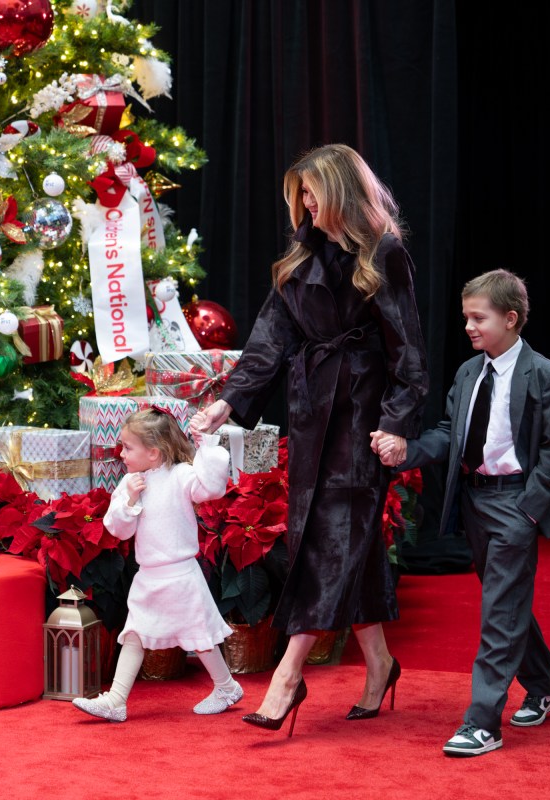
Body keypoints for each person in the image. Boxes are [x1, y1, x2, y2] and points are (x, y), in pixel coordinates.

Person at [190, 143, 428, 736]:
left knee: (330, 538)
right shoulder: (301, 255)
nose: (306, 202)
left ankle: (287, 675)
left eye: (315, 191)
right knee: (343, 539)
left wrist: (395, 423)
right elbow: (269, 341)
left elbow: (410, 354)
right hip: (312, 410)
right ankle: (380, 665)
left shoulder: (385, 254)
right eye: (300, 193)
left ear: (343, 192)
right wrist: (227, 401)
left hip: (364, 419)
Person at [375, 268, 550, 757]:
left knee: (499, 612)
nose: (468, 326)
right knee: (507, 602)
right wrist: (408, 450)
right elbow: (450, 432)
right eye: (466, 316)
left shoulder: (547, 375)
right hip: (474, 501)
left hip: (514, 504)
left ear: (511, 319)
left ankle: (482, 722)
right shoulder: (469, 373)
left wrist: (528, 510)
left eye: (477, 317)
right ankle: (546, 686)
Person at [72, 408, 243, 722]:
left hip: (181, 575)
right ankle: (116, 701)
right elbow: (117, 529)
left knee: (199, 637)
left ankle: (226, 687)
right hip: (148, 576)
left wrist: (205, 444)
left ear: (153, 452)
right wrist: (130, 502)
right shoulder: (129, 483)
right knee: (134, 633)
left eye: (127, 447)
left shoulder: (179, 475)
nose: (121, 453)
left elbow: (211, 488)